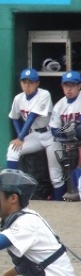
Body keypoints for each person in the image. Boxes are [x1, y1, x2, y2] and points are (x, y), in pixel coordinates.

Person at [5, 68, 65, 201]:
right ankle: (10, 191)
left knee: (55, 175)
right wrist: (20, 135)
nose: (27, 85)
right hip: (35, 135)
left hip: (50, 135)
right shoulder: (18, 98)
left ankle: (59, 203)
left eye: (30, 82)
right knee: (12, 150)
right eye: (24, 82)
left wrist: (20, 137)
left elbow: (32, 117)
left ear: (37, 83)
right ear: (20, 83)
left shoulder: (44, 94)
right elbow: (14, 117)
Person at [49, 70, 81, 202]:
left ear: (79, 86)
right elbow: (54, 130)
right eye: (66, 85)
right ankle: (75, 190)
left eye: (72, 85)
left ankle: (77, 190)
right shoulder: (59, 105)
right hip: (71, 141)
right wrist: (67, 136)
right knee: (71, 151)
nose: (69, 88)